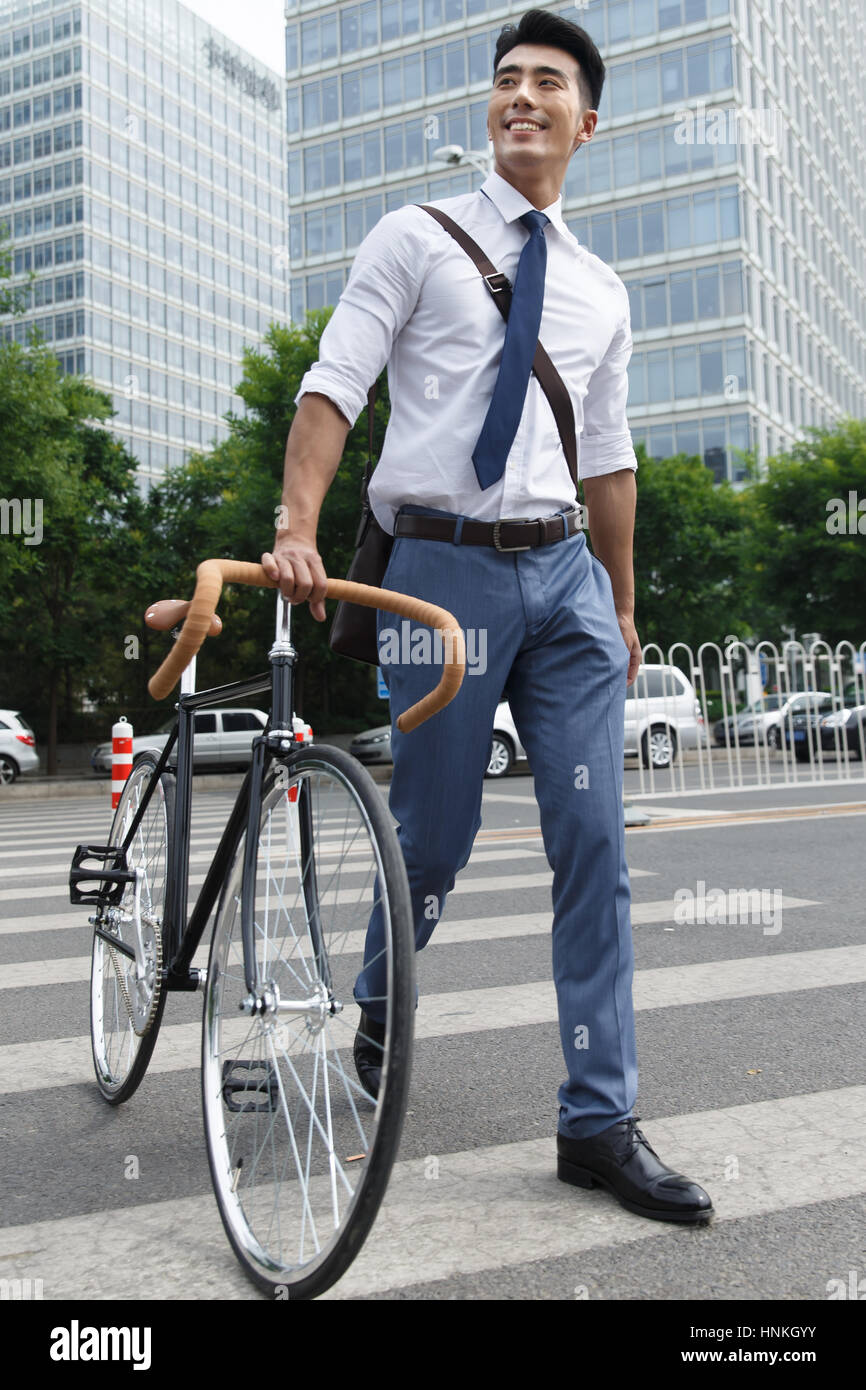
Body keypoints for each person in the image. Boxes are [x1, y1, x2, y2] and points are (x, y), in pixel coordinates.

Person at [263, 7, 713, 1226]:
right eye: (505, 79)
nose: (521, 95)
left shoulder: (604, 290)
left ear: (586, 120)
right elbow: (331, 382)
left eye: (547, 82)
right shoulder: (413, 236)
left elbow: (608, 457)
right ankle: (377, 995)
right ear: (491, 108)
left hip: (565, 578)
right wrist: (298, 526)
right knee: (436, 833)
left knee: (596, 844)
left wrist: (621, 600)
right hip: (433, 576)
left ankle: (596, 1119)